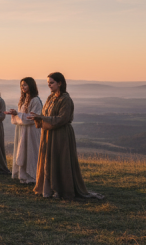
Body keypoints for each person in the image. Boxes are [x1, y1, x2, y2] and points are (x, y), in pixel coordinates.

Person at [31, 72, 103, 200]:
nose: (49, 85)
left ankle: (60, 189)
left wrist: (41, 118)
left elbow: (62, 119)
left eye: (52, 83)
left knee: (61, 160)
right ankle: (48, 188)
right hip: (48, 134)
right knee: (48, 159)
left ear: (60, 83)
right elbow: (45, 114)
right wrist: (38, 118)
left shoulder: (66, 99)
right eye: (48, 83)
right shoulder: (50, 98)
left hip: (61, 134)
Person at [6, 77, 42, 184]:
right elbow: (22, 116)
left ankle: (32, 176)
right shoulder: (23, 99)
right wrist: (15, 113)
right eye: (21, 85)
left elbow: (33, 117)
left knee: (31, 152)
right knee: (22, 151)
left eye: (25, 85)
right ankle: (23, 175)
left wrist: (18, 114)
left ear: (31, 86)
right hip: (22, 130)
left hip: (31, 131)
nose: (23, 87)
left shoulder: (35, 100)